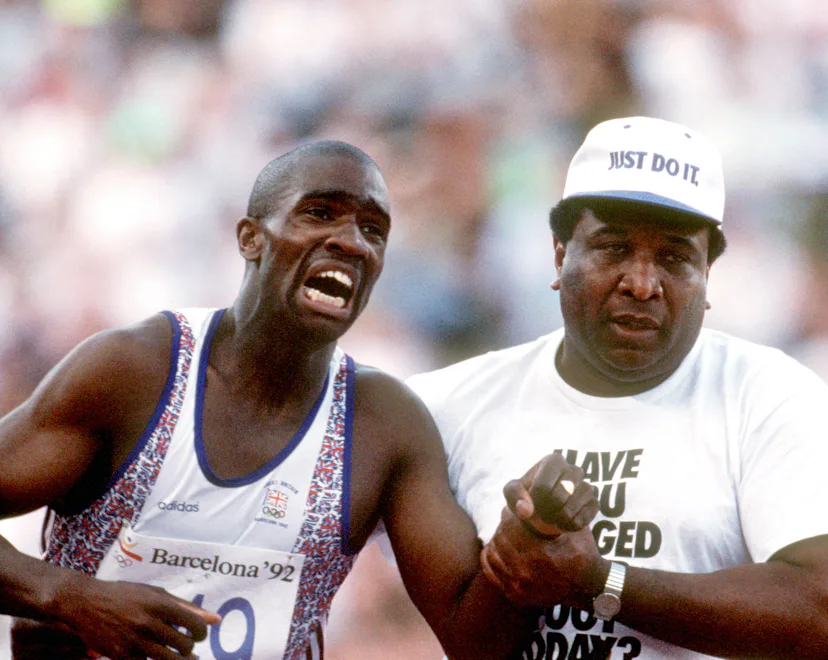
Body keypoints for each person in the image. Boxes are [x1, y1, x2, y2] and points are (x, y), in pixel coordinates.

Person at [0, 140, 598, 660]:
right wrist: (69, 598)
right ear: (250, 238)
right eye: (320, 213)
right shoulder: (136, 370)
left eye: (374, 230)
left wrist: (526, 539)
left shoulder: (382, 422)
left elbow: (477, 644)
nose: (352, 242)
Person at [407, 117, 828, 659]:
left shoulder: (770, 394)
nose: (643, 283)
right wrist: (518, 557)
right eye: (613, 248)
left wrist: (601, 582)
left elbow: (818, 611)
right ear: (560, 254)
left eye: (675, 258)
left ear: (708, 275)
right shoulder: (449, 404)